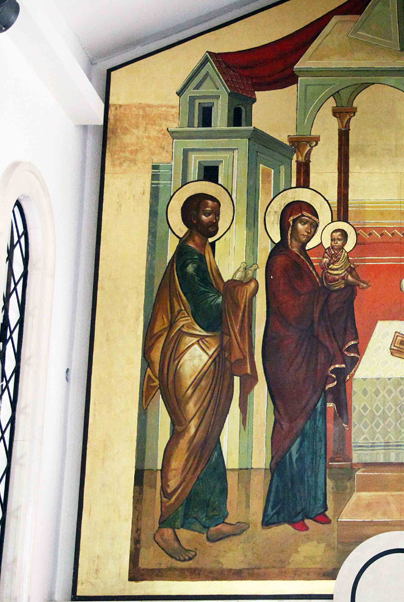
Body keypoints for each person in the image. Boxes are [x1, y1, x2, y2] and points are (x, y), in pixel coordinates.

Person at [141, 191, 258, 561]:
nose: (214, 221)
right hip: (190, 356)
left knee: (207, 435)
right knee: (190, 434)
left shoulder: (202, 253)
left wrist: (233, 289)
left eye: (217, 214)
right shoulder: (189, 259)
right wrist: (241, 290)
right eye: (208, 213)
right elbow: (208, 311)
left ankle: (211, 520)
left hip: (206, 354)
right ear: (192, 217)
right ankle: (165, 526)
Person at [261, 201, 358, 531]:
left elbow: (316, 304)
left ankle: (313, 504)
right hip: (286, 353)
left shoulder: (303, 259)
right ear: (289, 223)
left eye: (314, 225)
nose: (310, 230)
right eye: (304, 223)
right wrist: (327, 295)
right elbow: (292, 309)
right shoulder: (280, 261)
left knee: (314, 427)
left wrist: (340, 292)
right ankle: (288, 509)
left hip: (311, 353)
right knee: (294, 425)